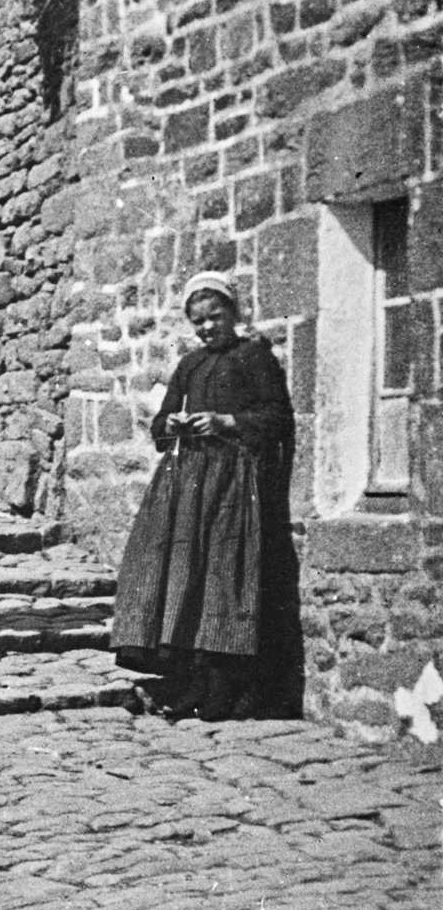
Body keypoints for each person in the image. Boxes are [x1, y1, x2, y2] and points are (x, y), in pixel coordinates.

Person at [111, 272, 303, 720]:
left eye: (215, 317)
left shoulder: (253, 357)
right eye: (198, 321)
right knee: (182, 573)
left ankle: (225, 688)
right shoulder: (190, 365)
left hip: (233, 479)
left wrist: (225, 422)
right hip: (185, 481)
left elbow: (276, 418)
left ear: (233, 313)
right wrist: (174, 425)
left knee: (223, 575)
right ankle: (188, 681)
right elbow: (159, 425)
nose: (207, 328)